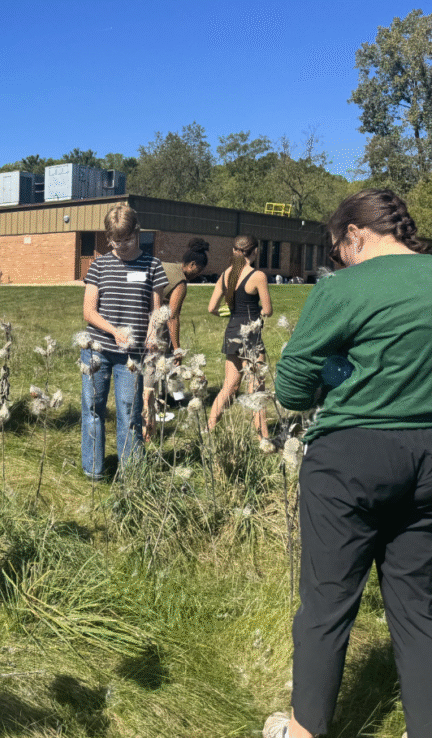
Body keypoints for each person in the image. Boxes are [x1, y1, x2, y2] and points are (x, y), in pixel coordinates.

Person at [268, 189, 432, 738]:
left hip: (352, 458)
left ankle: (304, 729)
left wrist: (336, 374)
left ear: (355, 235)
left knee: (327, 602)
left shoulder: (344, 289)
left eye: (339, 250)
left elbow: (291, 387)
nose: (340, 261)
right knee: (418, 606)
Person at [81, 203, 167, 479]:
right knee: (93, 409)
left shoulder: (153, 266)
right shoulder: (99, 265)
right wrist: (114, 331)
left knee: (130, 413)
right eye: (115, 241)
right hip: (98, 351)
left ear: (137, 233)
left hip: (132, 356)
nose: (121, 246)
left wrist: (152, 333)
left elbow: (156, 311)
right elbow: (89, 312)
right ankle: (93, 471)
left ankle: (131, 474)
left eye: (127, 239)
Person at [142, 237, 210, 440]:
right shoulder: (180, 282)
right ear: (192, 265)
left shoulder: (166, 265)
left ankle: (170, 398)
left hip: (139, 316)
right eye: (199, 270)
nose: (198, 275)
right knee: (163, 362)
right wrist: (177, 347)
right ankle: (160, 403)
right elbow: (173, 317)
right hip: (155, 323)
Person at [207, 234, 272, 437]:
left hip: (232, 331)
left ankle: (209, 429)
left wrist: (227, 313)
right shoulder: (257, 276)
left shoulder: (226, 274)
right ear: (255, 252)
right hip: (250, 335)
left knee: (230, 386)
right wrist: (258, 312)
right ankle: (263, 437)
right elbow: (268, 310)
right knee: (257, 389)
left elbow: (211, 308)